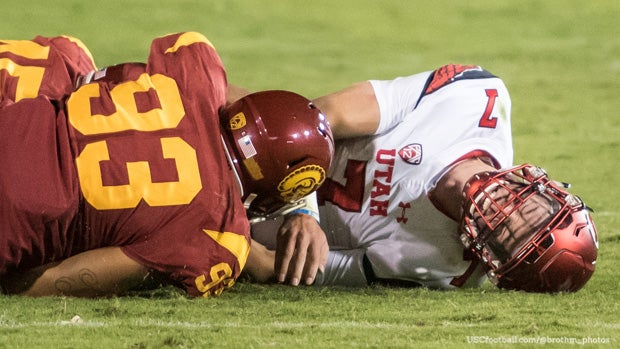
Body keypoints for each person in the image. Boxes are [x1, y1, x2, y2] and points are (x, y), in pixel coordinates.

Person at [0, 32, 334, 297]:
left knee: (68, 56)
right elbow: (68, 277)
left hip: (12, 123)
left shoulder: (196, 71)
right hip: (13, 220)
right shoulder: (219, 240)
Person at [248, 64, 599, 292]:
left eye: (512, 236)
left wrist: (223, 243)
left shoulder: (444, 268)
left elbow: (275, 267)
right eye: (534, 213)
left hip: (242, 219)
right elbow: (317, 116)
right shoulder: (477, 99)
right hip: (261, 147)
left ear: (495, 261)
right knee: (203, 68)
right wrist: (302, 209)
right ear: (547, 191)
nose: (509, 213)